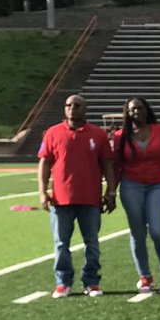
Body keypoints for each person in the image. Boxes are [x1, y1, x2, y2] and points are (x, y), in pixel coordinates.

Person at [38, 94, 116, 298]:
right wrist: (42, 191)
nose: (72, 108)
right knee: (61, 243)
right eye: (68, 105)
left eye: (77, 105)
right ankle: (63, 282)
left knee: (92, 242)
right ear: (65, 109)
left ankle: (91, 281)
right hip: (60, 199)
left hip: (90, 198)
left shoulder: (97, 134)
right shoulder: (53, 133)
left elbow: (107, 163)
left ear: (85, 109)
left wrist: (110, 191)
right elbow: (45, 163)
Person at [114, 98, 160, 294]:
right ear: (127, 113)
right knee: (137, 232)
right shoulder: (121, 136)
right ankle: (144, 276)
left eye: (139, 108)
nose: (136, 112)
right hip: (131, 186)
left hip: (158, 185)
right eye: (132, 109)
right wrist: (110, 191)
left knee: (158, 231)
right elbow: (117, 165)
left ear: (146, 110)